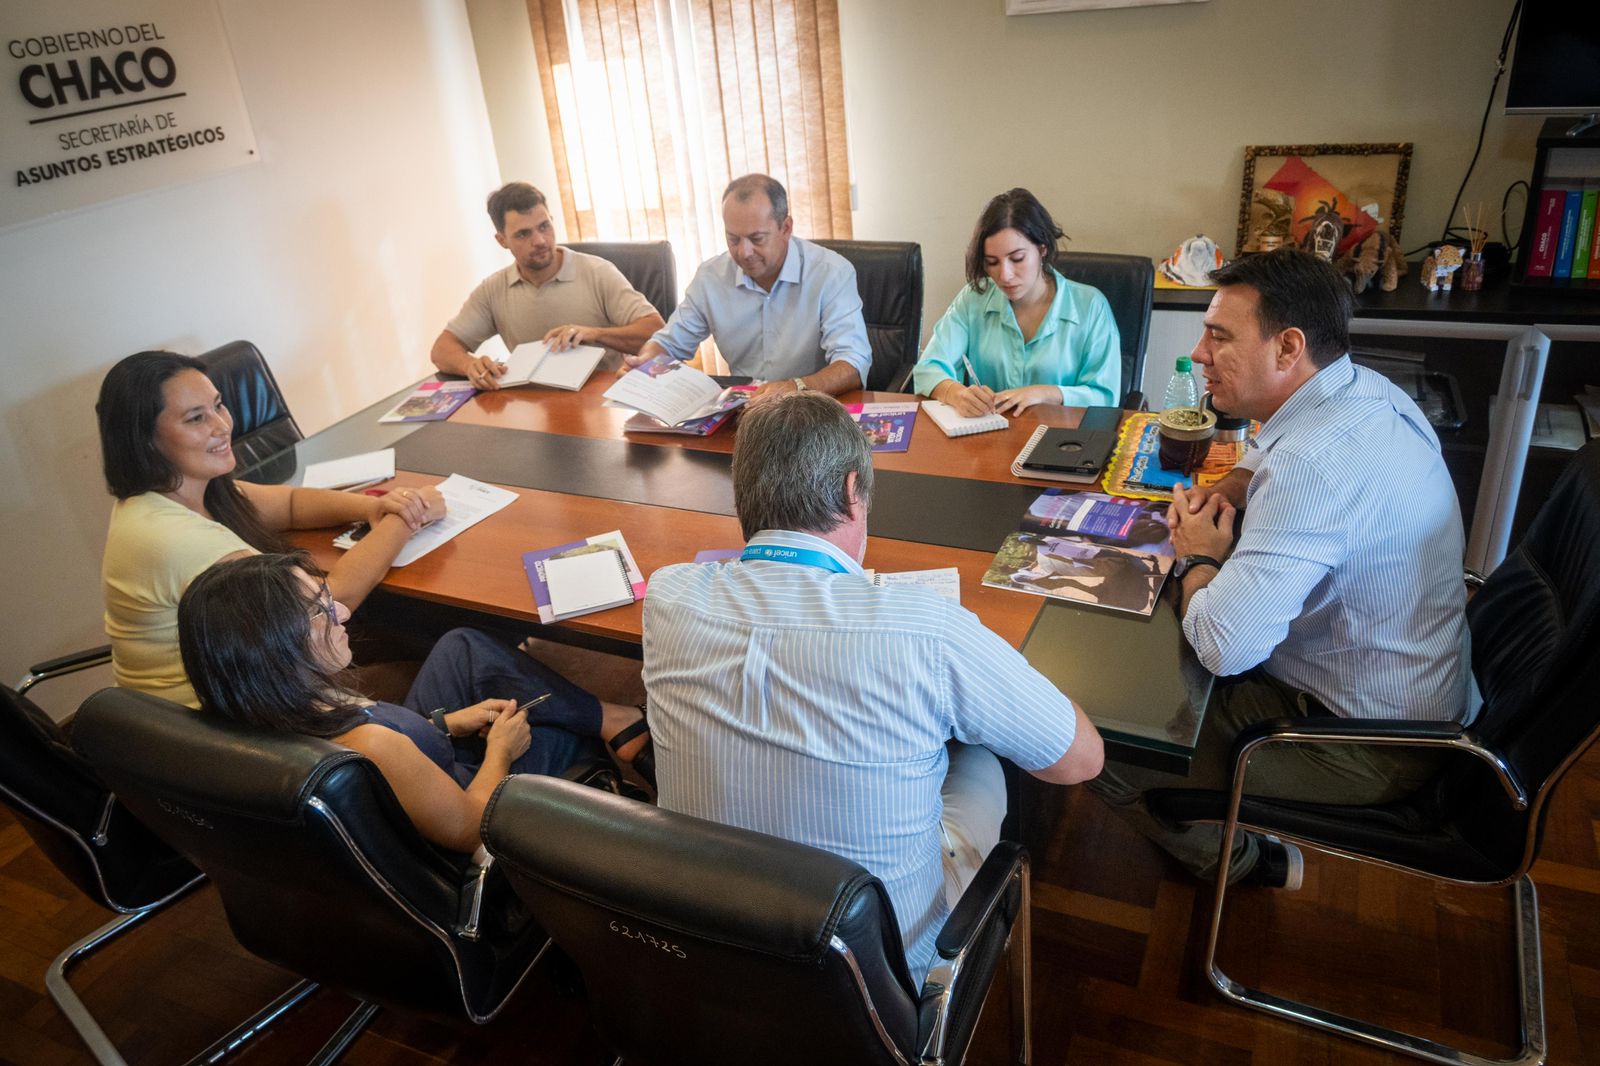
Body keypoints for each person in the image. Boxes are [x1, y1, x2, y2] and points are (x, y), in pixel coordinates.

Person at [642, 392, 1103, 981]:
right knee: (985, 757)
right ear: (851, 490)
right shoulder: (926, 629)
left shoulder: (668, 597)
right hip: (876, 983)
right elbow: (1080, 760)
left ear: (743, 495)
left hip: (707, 955)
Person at [1088, 248, 1474, 889]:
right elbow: (1271, 450)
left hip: (1357, 742)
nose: (1199, 354)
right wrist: (1230, 488)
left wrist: (1200, 555)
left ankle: (1239, 863)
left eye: (1219, 337)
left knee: (1088, 734)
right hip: (1417, 696)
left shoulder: (1312, 466)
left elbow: (1223, 648)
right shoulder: (1361, 389)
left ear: (1288, 346)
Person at [177, 553, 652, 854]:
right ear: (275, 647)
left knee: (461, 646)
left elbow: (395, 758)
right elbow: (469, 830)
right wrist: (500, 752)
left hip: (417, 759)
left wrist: (446, 724)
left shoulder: (258, 709)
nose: (342, 611)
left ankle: (612, 719)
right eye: (319, 609)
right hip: (461, 793)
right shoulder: (371, 745)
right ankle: (612, 784)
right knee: (557, 732)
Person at [97, 351, 446, 707]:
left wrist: (373, 507)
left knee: (414, 635)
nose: (222, 426)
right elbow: (332, 602)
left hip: (252, 680)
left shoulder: (186, 492)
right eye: (196, 418)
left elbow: (291, 505)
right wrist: (407, 516)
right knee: (437, 660)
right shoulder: (175, 537)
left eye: (219, 406)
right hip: (214, 718)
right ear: (145, 439)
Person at [625, 174, 872, 403]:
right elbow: (669, 343)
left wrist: (795, 388)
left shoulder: (830, 272)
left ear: (786, 228)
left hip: (812, 408)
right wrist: (646, 362)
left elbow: (853, 362)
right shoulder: (710, 278)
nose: (744, 252)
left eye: (757, 239)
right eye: (733, 239)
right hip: (744, 409)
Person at [430, 182, 665, 390]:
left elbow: (657, 332)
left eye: (544, 226)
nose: (540, 241)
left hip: (599, 399)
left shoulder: (597, 272)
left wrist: (595, 333)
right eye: (523, 234)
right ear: (502, 240)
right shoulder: (493, 289)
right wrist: (470, 365)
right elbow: (442, 349)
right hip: (535, 405)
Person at [912, 188, 1121, 416]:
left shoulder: (1090, 306)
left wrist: (1047, 393)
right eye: (992, 262)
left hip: (1062, 434)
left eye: (1017, 258)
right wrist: (955, 393)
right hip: (989, 431)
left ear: (1042, 249)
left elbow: (1105, 397)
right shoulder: (974, 298)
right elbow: (927, 369)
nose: (1005, 275)